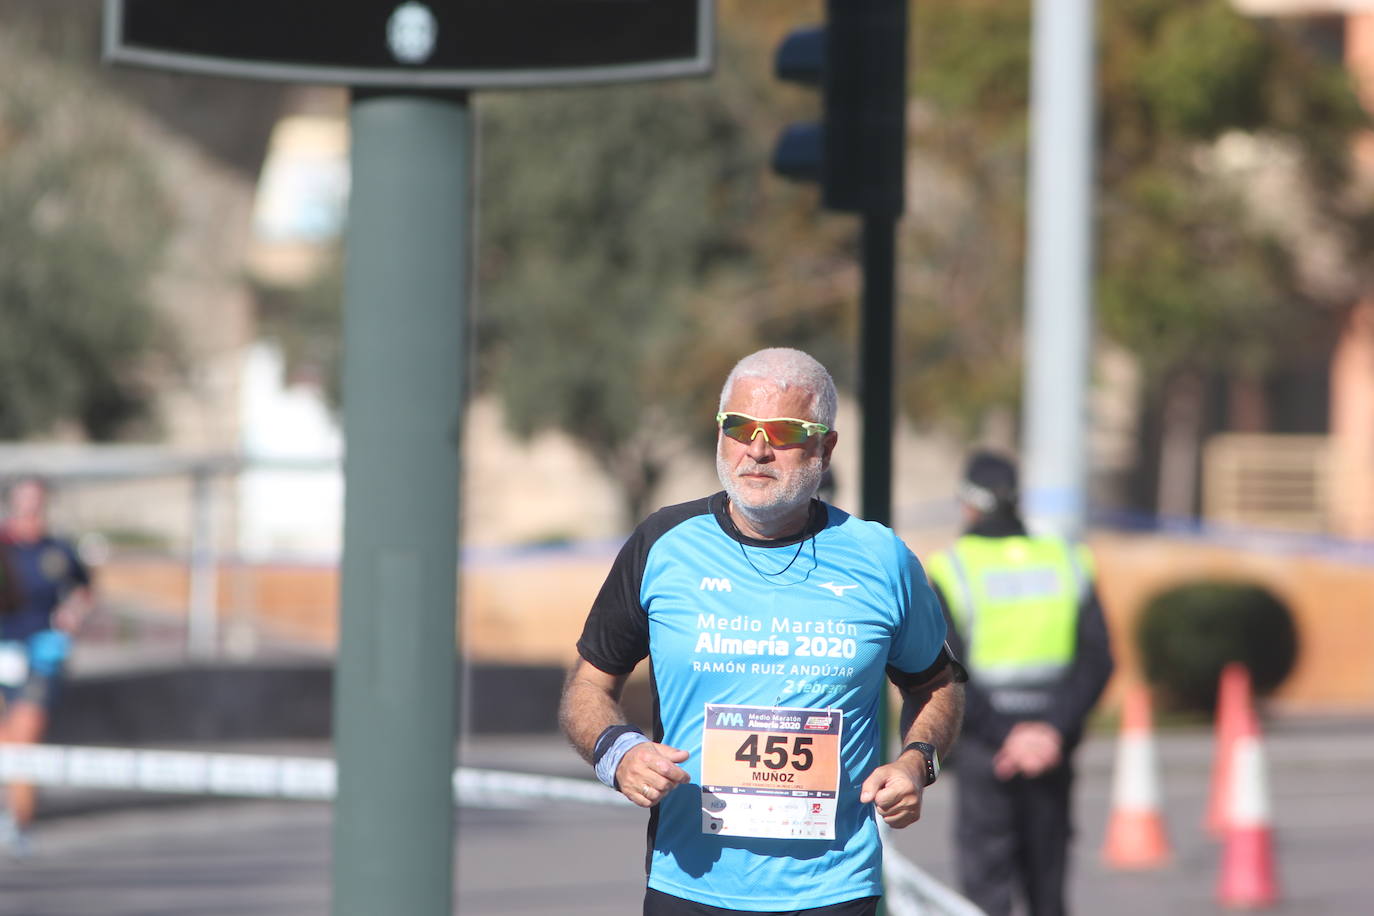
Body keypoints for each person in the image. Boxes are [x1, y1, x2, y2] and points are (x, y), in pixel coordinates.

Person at [559, 348, 966, 916]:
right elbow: (587, 687)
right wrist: (618, 752)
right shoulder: (663, 544)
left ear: (825, 447)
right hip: (690, 884)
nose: (757, 448)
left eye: (784, 431)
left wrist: (916, 763)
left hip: (834, 890)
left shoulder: (881, 557)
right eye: (739, 427)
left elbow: (938, 685)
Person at [924, 451, 1114, 916]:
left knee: (986, 893)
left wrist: (1009, 736)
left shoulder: (953, 566)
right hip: (1052, 747)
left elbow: (947, 670)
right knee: (1047, 891)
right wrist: (1049, 732)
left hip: (988, 749)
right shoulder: (1067, 560)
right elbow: (1098, 660)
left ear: (967, 502)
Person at [0, 476, 95, 854]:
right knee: (4, 740)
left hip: (41, 653)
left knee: (24, 738)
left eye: (35, 502)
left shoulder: (58, 550)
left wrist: (73, 613)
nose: (29, 509)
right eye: (22, 501)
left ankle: (20, 822)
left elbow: (84, 589)